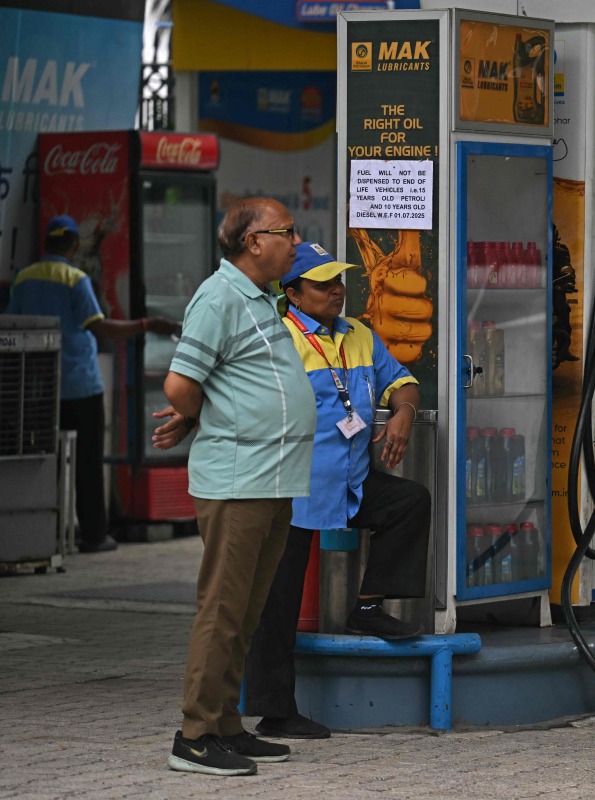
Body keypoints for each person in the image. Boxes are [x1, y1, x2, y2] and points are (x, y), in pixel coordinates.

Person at [240, 241, 430, 740]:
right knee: (277, 602)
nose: (336, 291)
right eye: (323, 284)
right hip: (292, 487)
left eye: (339, 281)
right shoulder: (275, 338)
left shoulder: (360, 335)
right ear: (294, 293)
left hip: (349, 481)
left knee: (409, 502)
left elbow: (403, 383)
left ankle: (367, 607)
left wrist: (403, 415)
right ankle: (274, 709)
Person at [153, 197, 317, 777]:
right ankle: (194, 737)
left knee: (247, 610)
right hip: (238, 478)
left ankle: (226, 725)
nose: (295, 242)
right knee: (222, 608)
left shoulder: (262, 300)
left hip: (272, 478)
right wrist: (206, 415)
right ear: (253, 241)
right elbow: (180, 384)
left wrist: (209, 409)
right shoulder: (220, 296)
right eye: (286, 232)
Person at [5, 215, 179, 553]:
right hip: (81, 386)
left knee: (45, 460)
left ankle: (43, 531)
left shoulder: (24, 278)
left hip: (38, 389)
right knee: (86, 462)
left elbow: (13, 324)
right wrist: (146, 324)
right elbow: (98, 326)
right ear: (73, 246)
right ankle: (94, 535)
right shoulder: (75, 278)